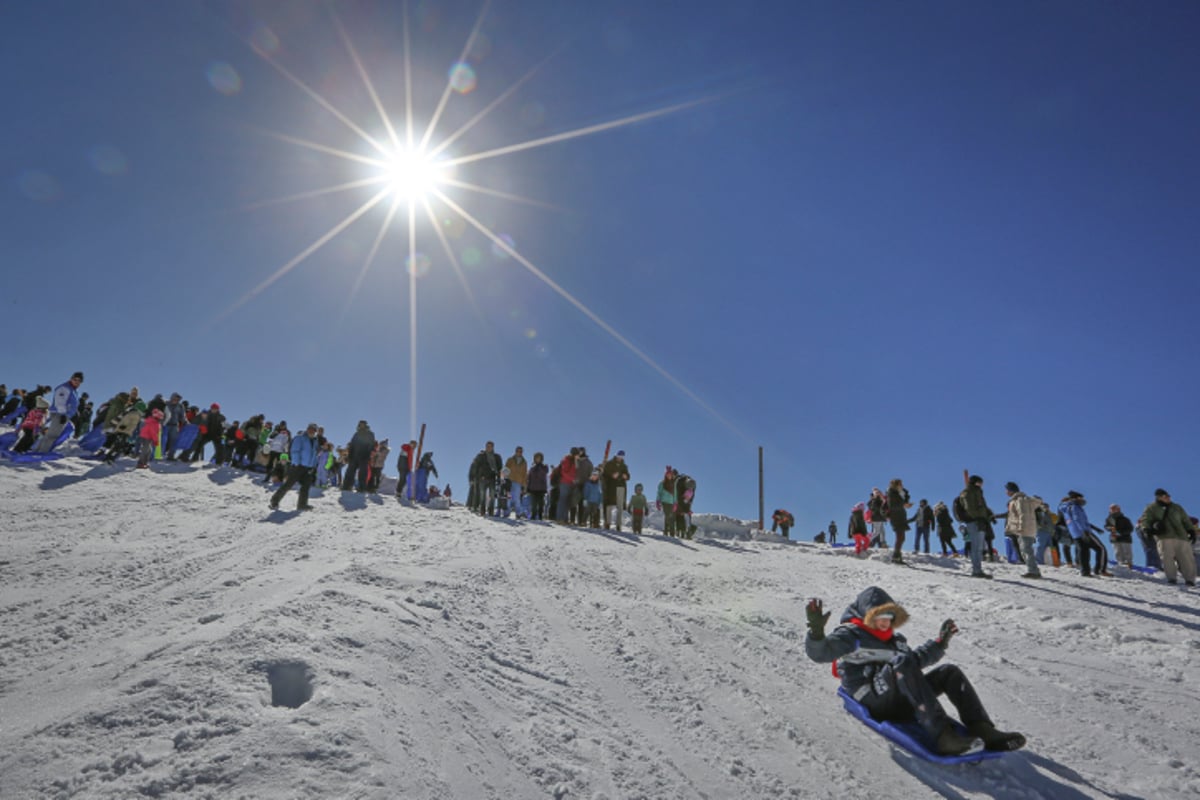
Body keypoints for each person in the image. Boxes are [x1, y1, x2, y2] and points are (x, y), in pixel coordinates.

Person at [804, 586, 1026, 755]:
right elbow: (821, 653)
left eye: (889, 618)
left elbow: (914, 661)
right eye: (878, 617)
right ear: (867, 616)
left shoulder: (896, 640)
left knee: (949, 671)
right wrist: (816, 632)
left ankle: (982, 728)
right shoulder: (851, 635)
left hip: (901, 698)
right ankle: (943, 736)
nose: (884, 623)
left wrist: (940, 643)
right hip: (871, 698)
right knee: (902, 663)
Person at [1140, 489, 1197, 586]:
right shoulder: (1151, 508)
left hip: (1181, 536)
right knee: (1167, 558)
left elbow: (1185, 520)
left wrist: (1191, 530)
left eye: (1168, 496)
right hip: (1164, 536)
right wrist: (1146, 529)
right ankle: (1171, 578)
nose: (1168, 498)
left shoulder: (1177, 507)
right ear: (1158, 497)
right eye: (1165, 496)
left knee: (1187, 558)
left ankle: (1190, 579)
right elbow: (1146, 519)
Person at [270, 423, 321, 511]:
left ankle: (302, 504)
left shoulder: (315, 441)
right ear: (307, 429)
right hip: (298, 466)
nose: (311, 431)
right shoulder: (300, 437)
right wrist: (296, 463)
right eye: (310, 428)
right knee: (288, 484)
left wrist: (313, 466)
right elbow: (295, 451)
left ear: (316, 431)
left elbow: (314, 455)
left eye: (313, 429)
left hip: (308, 468)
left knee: (306, 486)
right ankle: (274, 501)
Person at [33, 371, 83, 452]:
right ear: (71, 379)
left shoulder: (72, 390)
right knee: (52, 435)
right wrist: (63, 414)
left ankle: (38, 450)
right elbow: (60, 402)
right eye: (75, 379)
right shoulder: (65, 388)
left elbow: (71, 403)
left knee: (51, 434)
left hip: (63, 414)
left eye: (79, 381)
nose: (77, 382)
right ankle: (41, 452)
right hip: (60, 414)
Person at [1059, 491, 1104, 577]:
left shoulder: (1067, 507)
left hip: (1075, 533)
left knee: (1083, 551)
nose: (1083, 500)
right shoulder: (1075, 507)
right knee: (1099, 548)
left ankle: (1085, 571)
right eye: (1081, 498)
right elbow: (1077, 519)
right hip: (1082, 532)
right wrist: (1084, 530)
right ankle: (1098, 570)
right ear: (1076, 498)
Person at [1001, 482, 1041, 579]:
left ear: (1010, 490)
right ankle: (1033, 570)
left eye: (1007, 490)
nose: (1006, 492)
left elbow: (1023, 514)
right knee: (1025, 550)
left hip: (1025, 529)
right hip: (1026, 528)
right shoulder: (1019, 500)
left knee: (1026, 550)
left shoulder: (1019, 500)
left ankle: (1033, 571)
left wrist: (1021, 527)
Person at [959, 474, 995, 579]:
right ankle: (976, 570)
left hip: (981, 521)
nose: (981, 485)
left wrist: (988, 515)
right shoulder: (968, 492)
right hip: (973, 522)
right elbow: (969, 508)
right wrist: (978, 517)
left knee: (979, 547)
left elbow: (982, 507)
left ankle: (978, 569)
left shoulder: (978, 492)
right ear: (974, 482)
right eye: (979, 483)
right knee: (976, 546)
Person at [342, 420, 375, 492]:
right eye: (360, 424)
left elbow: (371, 445)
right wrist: (349, 456)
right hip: (354, 456)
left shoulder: (370, 434)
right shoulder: (356, 434)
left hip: (364, 456)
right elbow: (352, 445)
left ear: (366, 425)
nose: (361, 425)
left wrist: (368, 454)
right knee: (350, 471)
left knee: (363, 473)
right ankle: (347, 486)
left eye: (363, 424)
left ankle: (362, 488)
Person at [602, 450, 631, 531]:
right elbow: (604, 475)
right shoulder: (609, 463)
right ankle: (607, 523)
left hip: (621, 486)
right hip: (611, 487)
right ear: (616, 456)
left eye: (622, 457)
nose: (620, 458)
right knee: (609, 505)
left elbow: (628, 475)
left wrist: (626, 476)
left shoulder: (624, 466)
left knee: (620, 506)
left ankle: (619, 525)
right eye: (619, 456)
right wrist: (612, 475)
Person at [885, 479, 912, 563]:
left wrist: (906, 504)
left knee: (902, 538)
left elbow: (903, 501)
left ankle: (897, 556)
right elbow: (892, 506)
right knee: (900, 537)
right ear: (895, 485)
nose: (902, 485)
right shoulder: (891, 493)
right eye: (900, 484)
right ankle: (895, 557)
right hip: (895, 516)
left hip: (901, 516)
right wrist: (904, 505)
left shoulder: (901, 493)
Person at [1105, 504, 1135, 568]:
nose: (1112, 510)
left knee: (1127, 552)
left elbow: (1131, 529)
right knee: (1118, 552)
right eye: (1111, 508)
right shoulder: (1109, 519)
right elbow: (1106, 526)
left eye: (1114, 508)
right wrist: (1110, 528)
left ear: (1118, 509)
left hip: (1125, 538)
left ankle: (1129, 564)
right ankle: (1120, 564)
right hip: (1114, 538)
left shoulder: (1125, 519)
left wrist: (1121, 533)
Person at [505, 446, 528, 514]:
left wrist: (524, 485)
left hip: (518, 482)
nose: (519, 452)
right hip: (510, 480)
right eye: (517, 451)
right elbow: (506, 469)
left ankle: (518, 513)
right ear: (515, 451)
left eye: (520, 451)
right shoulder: (510, 459)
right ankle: (507, 512)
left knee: (517, 498)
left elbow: (525, 473)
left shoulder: (524, 462)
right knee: (509, 497)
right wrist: (503, 478)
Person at [526, 452, 549, 520]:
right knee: (533, 504)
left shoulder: (544, 466)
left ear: (541, 458)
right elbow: (529, 478)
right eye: (536, 457)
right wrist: (528, 487)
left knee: (541, 503)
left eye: (539, 458)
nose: (538, 459)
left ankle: (540, 516)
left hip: (541, 488)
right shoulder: (532, 467)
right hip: (533, 488)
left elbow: (544, 473)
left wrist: (539, 466)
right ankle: (533, 515)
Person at [656, 467, 677, 536]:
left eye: (670, 475)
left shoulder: (674, 484)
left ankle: (671, 533)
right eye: (668, 475)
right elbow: (659, 493)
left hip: (671, 502)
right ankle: (666, 531)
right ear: (665, 475)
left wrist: (675, 503)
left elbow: (675, 494)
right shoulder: (662, 483)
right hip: (664, 502)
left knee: (671, 517)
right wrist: (658, 501)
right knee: (668, 515)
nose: (669, 476)